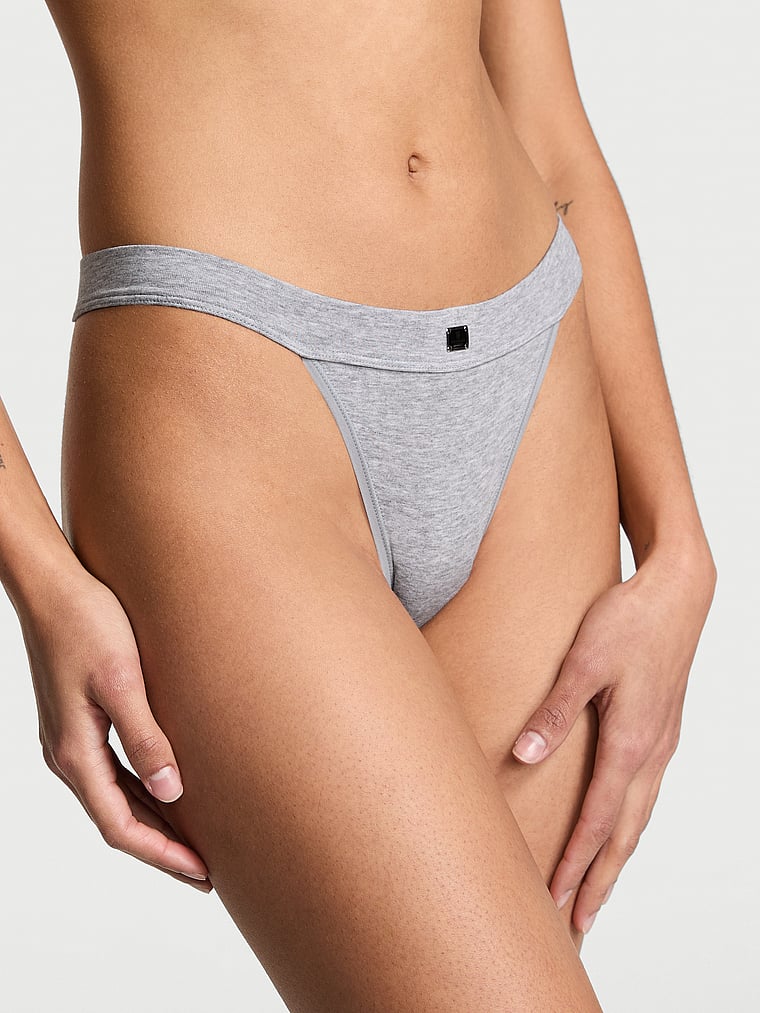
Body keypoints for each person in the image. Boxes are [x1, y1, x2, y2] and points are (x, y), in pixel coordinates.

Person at [1, 1, 716, 1009]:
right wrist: (37, 575)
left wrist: (677, 545)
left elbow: (549, 124)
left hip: (534, 380)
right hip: (232, 402)